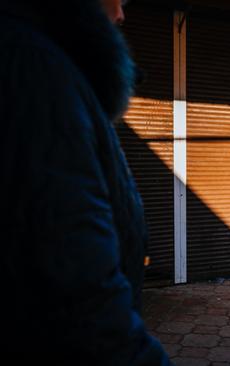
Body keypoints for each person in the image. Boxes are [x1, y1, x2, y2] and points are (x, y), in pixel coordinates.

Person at [0, 0, 169, 363]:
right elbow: (73, 288)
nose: (122, 14)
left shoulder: (49, 70)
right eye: (118, 0)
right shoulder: (36, 70)